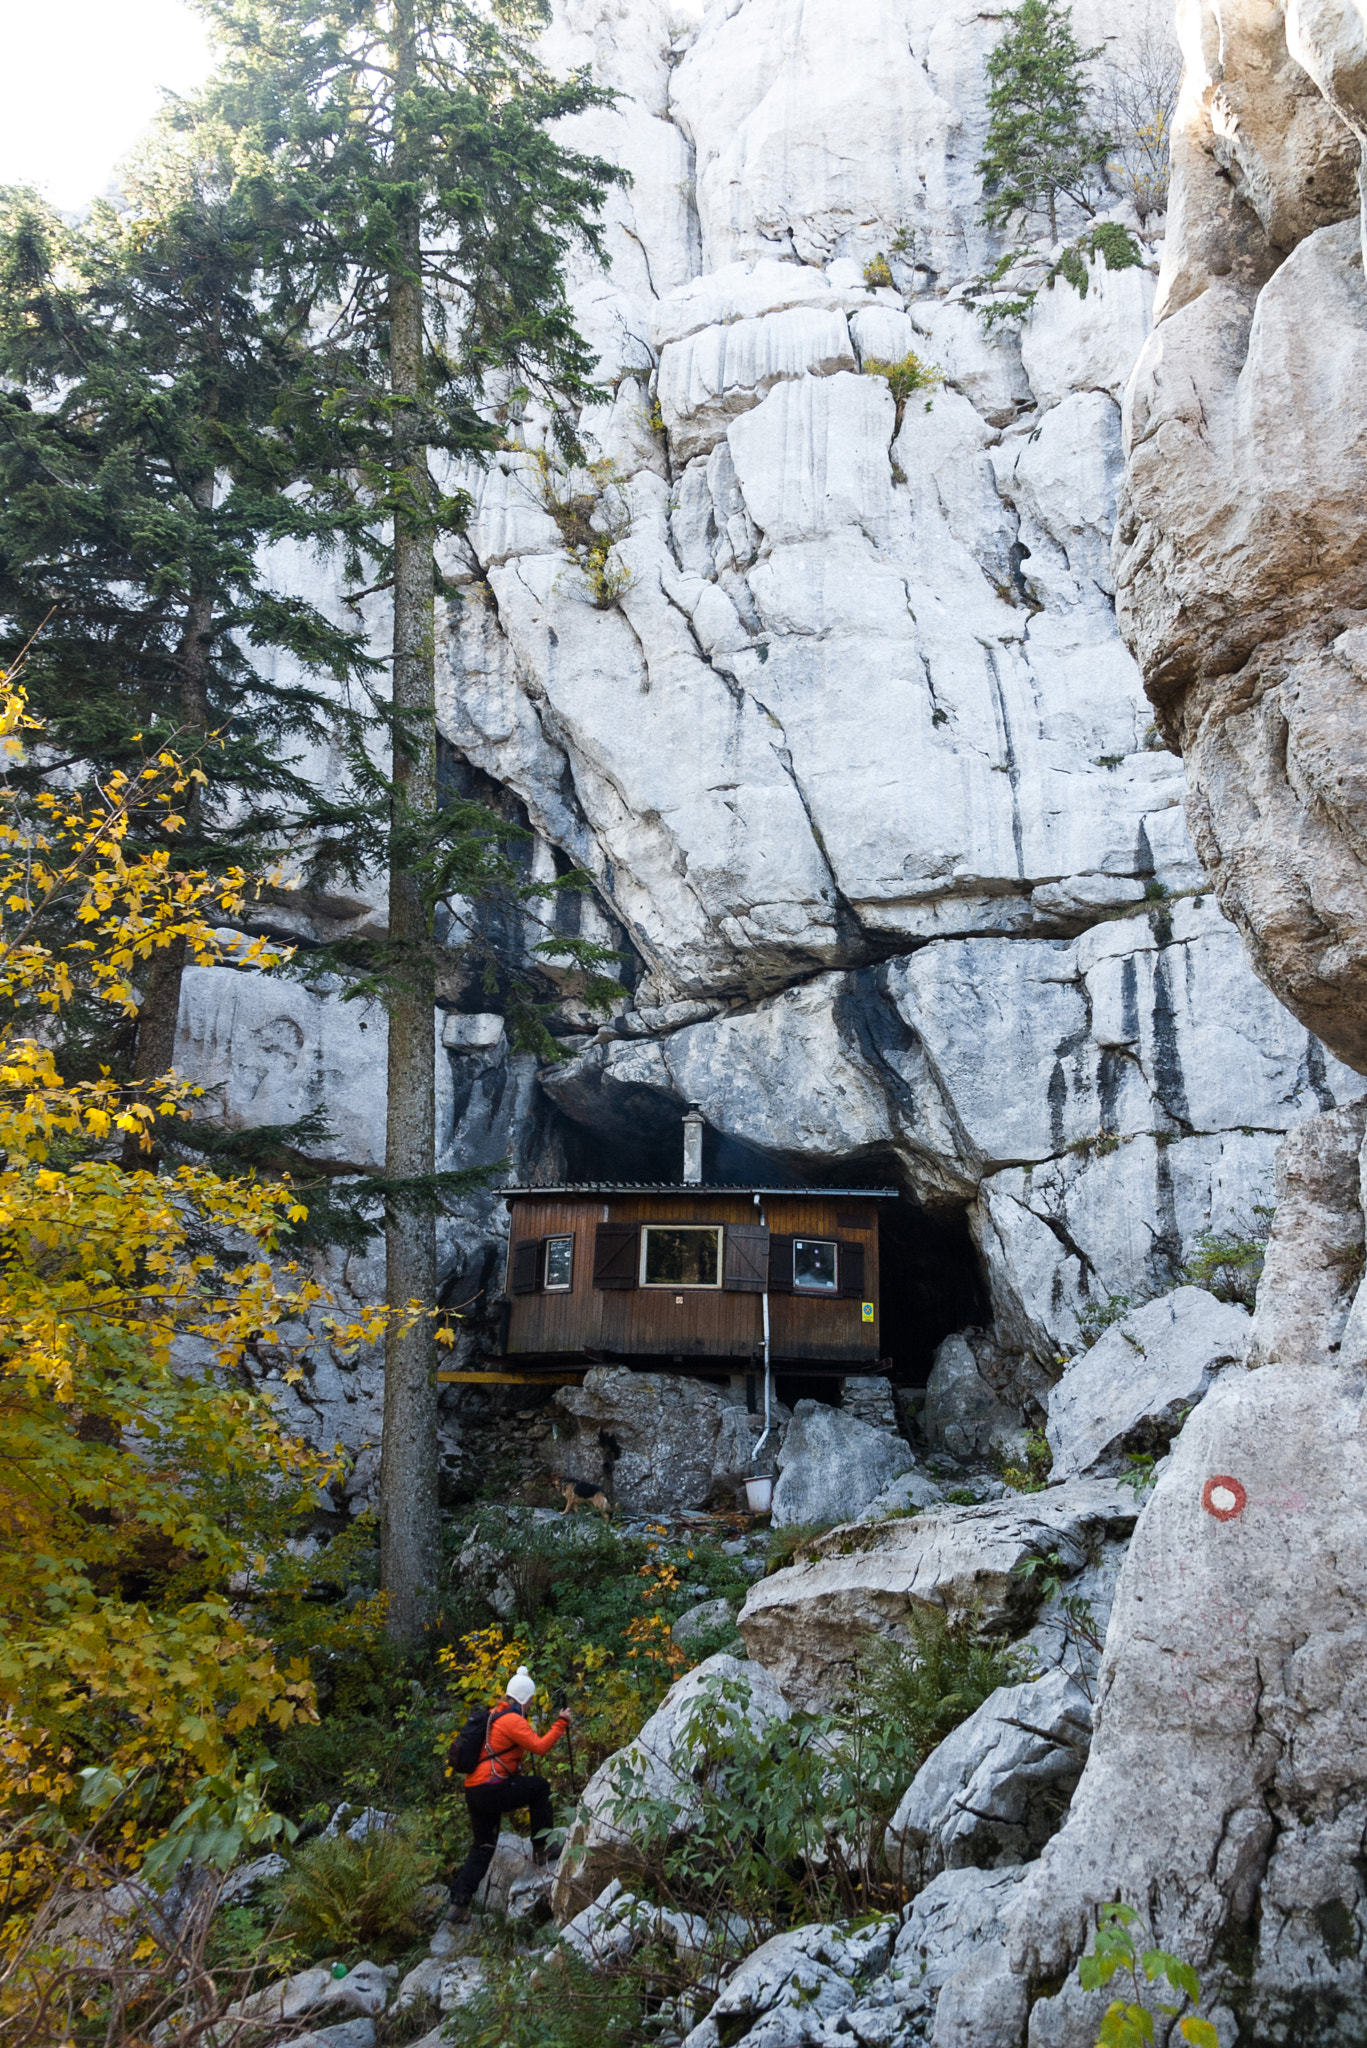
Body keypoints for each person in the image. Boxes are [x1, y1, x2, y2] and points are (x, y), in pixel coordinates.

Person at [448, 1665, 571, 1920]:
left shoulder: (494, 1715)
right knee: (539, 1787)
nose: (531, 1706)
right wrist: (561, 1723)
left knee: (482, 1847)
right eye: (531, 1701)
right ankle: (542, 1849)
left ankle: (458, 1903)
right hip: (491, 1789)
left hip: (475, 1790)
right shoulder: (513, 1720)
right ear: (525, 1698)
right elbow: (540, 1747)